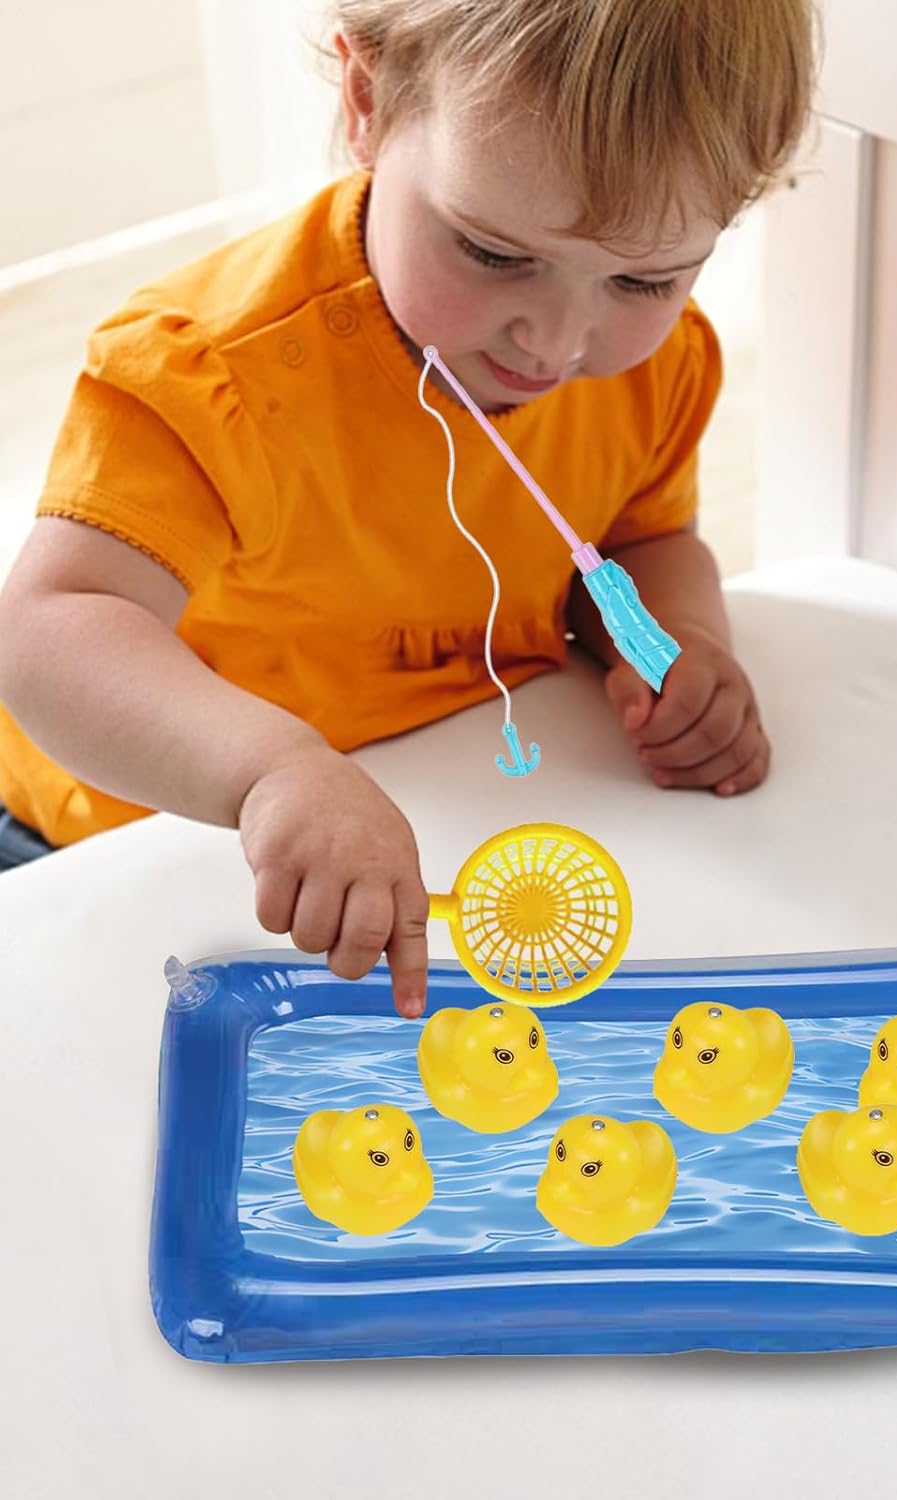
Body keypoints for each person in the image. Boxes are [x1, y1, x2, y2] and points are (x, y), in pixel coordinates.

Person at [0, 0, 815, 1017]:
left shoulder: (657, 368)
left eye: (645, 279)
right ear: (367, 99)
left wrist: (675, 644)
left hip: (446, 820)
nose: (555, 342)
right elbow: (51, 630)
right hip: (136, 837)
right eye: (494, 254)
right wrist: (270, 773)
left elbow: (638, 539)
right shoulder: (214, 376)